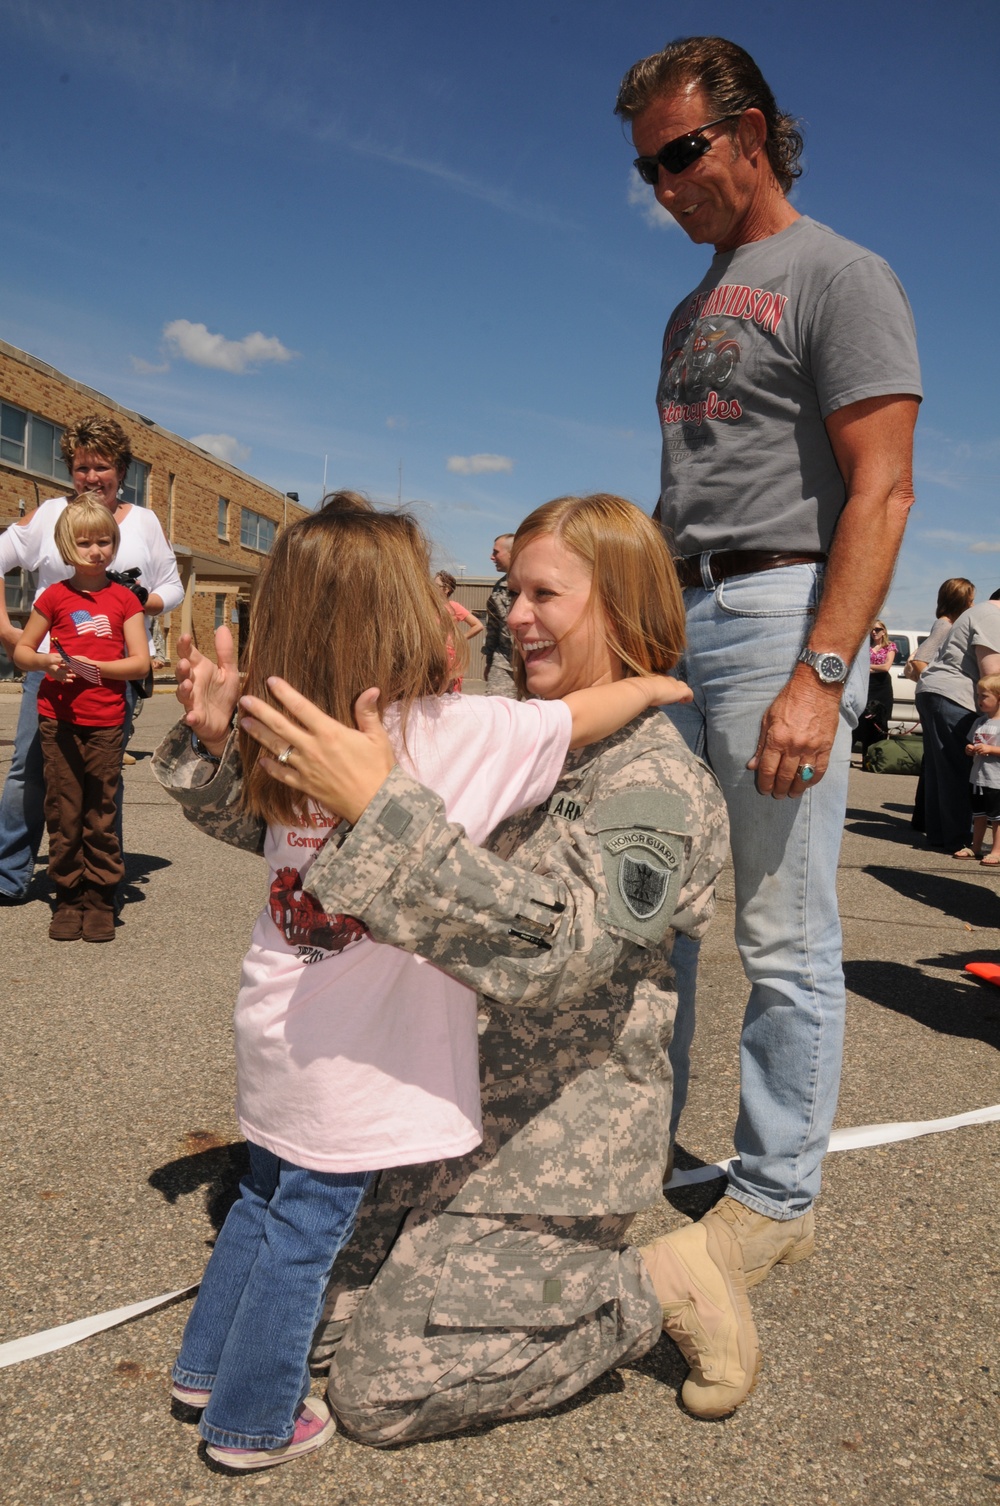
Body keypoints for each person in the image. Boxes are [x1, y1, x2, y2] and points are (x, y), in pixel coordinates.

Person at [154, 491, 729, 1442]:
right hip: (417, 1107)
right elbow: (304, 851)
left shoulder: (655, 786)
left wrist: (386, 811)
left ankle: (648, 1283)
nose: (517, 615)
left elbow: (562, 957)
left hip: (541, 1147)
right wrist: (221, 750)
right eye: (512, 591)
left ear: (623, 610)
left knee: (378, 1392)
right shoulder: (485, 725)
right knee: (310, 1337)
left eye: (546, 594)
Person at [613, 35, 922, 1410]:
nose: (663, 184)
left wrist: (824, 668)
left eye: (680, 154)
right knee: (658, 915)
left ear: (752, 131)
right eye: (646, 166)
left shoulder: (841, 275)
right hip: (682, 618)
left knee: (785, 927)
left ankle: (778, 1192)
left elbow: (883, 488)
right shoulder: (690, 312)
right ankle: (637, 1162)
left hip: (782, 616)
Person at [0, 413, 183, 902]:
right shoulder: (45, 517)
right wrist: (5, 628)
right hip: (50, 672)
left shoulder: (143, 522)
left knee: (102, 780)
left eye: (101, 467)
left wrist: (137, 605)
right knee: (29, 772)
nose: (90, 478)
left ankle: (102, 882)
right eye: (81, 467)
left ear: (122, 471)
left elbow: (173, 584)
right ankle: (9, 875)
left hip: (113, 674)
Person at [12, 496, 150, 940]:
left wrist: (95, 669)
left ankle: (100, 898)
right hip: (58, 719)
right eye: (85, 542)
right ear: (66, 546)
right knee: (64, 809)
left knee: (100, 810)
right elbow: (22, 650)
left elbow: (140, 663)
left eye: (104, 541)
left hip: (107, 721)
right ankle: (68, 896)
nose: (96, 551)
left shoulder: (124, 599)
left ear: (115, 544)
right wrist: (46, 664)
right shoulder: (54, 596)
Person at [916, 589, 1000, 854]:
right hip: (955, 695)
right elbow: (994, 674)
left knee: (939, 770)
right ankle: (960, 840)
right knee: (958, 770)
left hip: (934, 691)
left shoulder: (978, 613)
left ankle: (941, 836)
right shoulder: (993, 617)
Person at [905, 578, 974, 834]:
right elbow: (922, 657)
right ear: (961, 599)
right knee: (945, 764)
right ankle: (948, 830)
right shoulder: (944, 625)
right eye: (970, 598)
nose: (973, 603)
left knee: (934, 764)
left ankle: (928, 823)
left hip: (931, 695)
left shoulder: (949, 624)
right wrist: (934, 682)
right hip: (940, 695)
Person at [961, 676, 1000, 865]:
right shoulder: (979, 722)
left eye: (984, 696)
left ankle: (996, 851)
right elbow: (972, 743)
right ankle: (975, 847)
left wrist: (991, 750)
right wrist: (969, 749)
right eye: (978, 695)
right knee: (978, 815)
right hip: (977, 778)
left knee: (997, 818)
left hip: (996, 780)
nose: (979, 700)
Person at [434, 570, 484, 691]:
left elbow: (478, 625)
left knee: (449, 692)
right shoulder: (428, 606)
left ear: (446, 590)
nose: (432, 589)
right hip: (432, 655)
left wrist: (459, 639)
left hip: (448, 656)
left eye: (436, 586)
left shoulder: (453, 606)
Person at [858, 621, 896, 762]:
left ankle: (879, 757)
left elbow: (886, 667)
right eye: (872, 629)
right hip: (867, 684)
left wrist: (869, 666)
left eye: (878, 629)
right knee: (865, 720)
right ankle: (865, 756)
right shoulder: (865, 647)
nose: (874, 632)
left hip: (882, 686)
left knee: (882, 721)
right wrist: (872, 667)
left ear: (884, 631)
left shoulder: (890, 646)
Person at [483, 533, 515, 695]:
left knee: (544, 715)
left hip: (537, 662)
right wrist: (489, 661)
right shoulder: (499, 587)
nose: (492, 557)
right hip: (504, 661)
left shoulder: (542, 582)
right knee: (496, 711)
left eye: (496, 552)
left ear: (513, 552)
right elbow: (493, 628)